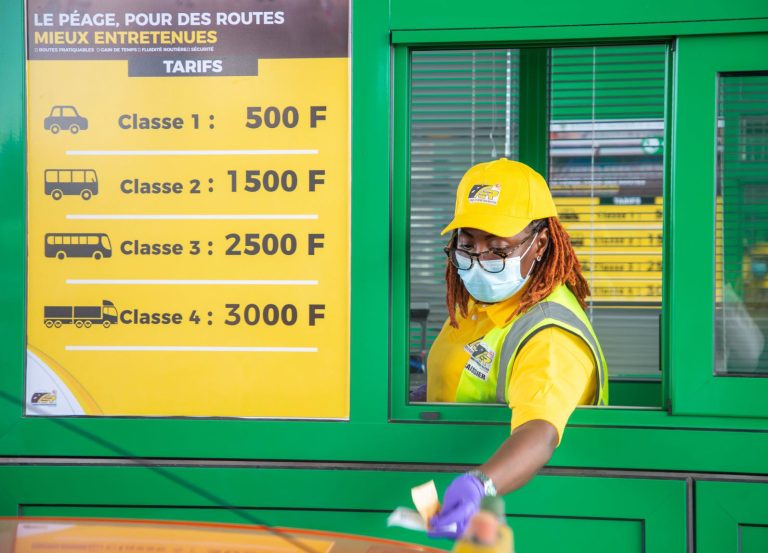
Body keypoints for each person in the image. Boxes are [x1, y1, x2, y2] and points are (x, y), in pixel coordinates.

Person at [425, 158, 608, 539]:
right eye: (467, 244)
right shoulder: (482, 305)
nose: (478, 261)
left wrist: (480, 486)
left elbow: (540, 431)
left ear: (539, 244)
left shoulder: (549, 333)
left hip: (534, 519)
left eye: (497, 248)